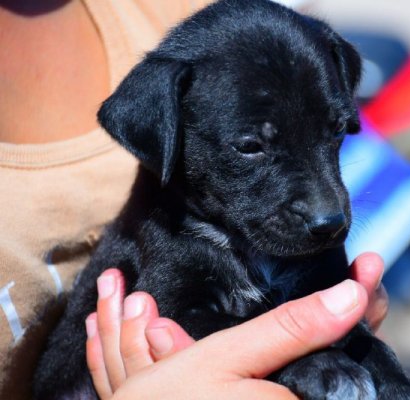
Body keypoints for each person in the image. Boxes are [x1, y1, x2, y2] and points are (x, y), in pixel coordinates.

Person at [0, 1, 389, 399]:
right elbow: (183, 320)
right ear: (161, 135)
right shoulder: (170, 242)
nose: (327, 208)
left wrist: (358, 348)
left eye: (335, 130)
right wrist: (299, 357)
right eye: (252, 146)